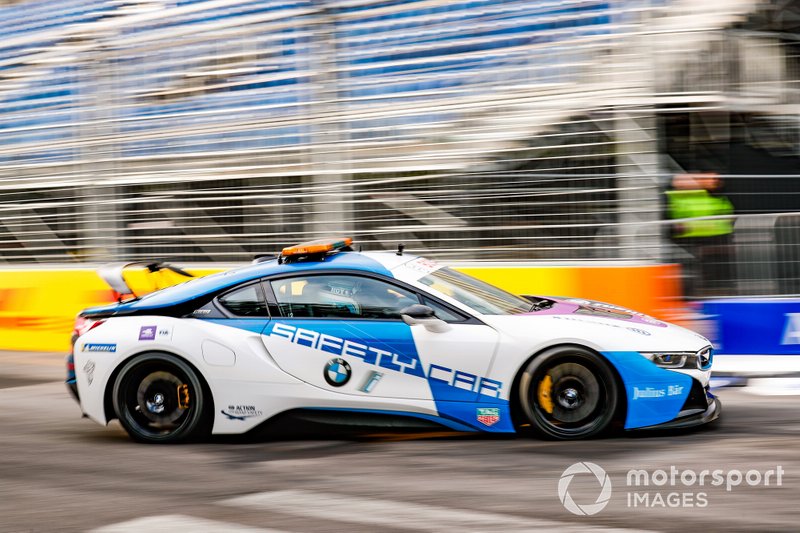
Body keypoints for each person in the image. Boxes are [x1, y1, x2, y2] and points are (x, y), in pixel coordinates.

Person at [665, 172, 735, 296]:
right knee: (689, 271)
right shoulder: (674, 196)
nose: (715, 181)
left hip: (714, 238)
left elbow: (727, 213)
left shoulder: (716, 196)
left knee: (711, 272)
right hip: (687, 240)